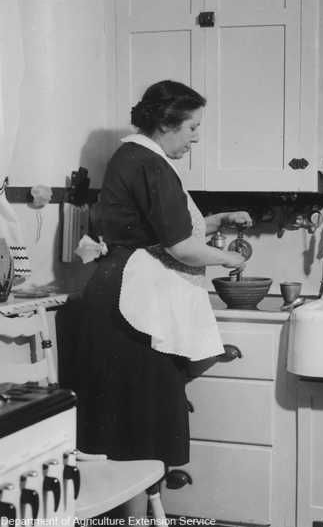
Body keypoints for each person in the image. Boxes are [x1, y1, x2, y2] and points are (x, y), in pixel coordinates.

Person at [58, 80, 248, 490]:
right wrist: (230, 257)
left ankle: (134, 511)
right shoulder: (149, 162)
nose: (197, 138)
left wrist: (217, 221)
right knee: (135, 439)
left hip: (122, 293)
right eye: (192, 127)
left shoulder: (137, 157)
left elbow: (158, 228)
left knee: (128, 437)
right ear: (166, 123)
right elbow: (180, 246)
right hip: (130, 306)